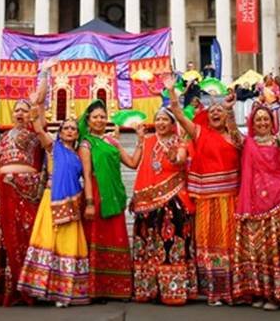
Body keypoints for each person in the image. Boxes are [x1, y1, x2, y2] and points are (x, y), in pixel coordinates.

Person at [166, 76, 240, 306]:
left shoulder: (234, 136)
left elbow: (239, 141)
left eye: (220, 111)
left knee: (229, 243)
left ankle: (232, 289)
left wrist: (230, 109)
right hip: (205, 199)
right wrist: (171, 91)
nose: (216, 113)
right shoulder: (199, 133)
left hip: (229, 198)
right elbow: (179, 115)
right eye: (212, 111)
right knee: (207, 243)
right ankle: (212, 290)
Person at [0, 62, 53, 306]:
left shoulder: (36, 131)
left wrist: (44, 74)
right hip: (4, 191)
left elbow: (40, 102)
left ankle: (29, 289)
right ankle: (6, 290)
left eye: (24, 110)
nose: (20, 113)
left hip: (27, 191)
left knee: (24, 237)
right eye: (17, 110)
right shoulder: (4, 137)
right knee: (3, 240)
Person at [231, 93, 280, 310]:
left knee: (275, 249)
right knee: (257, 250)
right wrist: (228, 111)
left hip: (278, 201)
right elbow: (233, 133)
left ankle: (276, 294)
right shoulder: (247, 143)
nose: (262, 122)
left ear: (272, 123)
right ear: (252, 124)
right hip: (253, 202)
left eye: (266, 119)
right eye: (258, 120)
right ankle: (260, 291)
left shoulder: (279, 141)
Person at [18, 117, 90, 307]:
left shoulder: (79, 154)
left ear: (78, 134)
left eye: (73, 129)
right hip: (52, 200)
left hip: (72, 201)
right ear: (60, 132)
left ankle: (64, 291)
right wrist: (36, 112)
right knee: (49, 240)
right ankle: (44, 289)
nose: (70, 131)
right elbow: (39, 131)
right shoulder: (53, 148)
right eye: (66, 128)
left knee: (68, 243)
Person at [130, 108, 196, 305]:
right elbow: (133, 163)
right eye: (157, 119)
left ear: (172, 123)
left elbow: (180, 159)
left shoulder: (180, 141)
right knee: (149, 246)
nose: (160, 123)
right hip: (148, 204)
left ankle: (173, 290)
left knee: (171, 245)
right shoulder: (148, 141)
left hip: (173, 200)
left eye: (165, 119)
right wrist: (135, 141)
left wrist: (173, 156)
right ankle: (148, 289)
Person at [79, 98, 143, 300]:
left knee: (117, 237)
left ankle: (119, 289)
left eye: (102, 117)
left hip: (114, 196)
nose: (99, 120)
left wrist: (140, 141)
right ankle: (96, 289)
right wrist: (89, 203)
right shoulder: (86, 144)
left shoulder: (112, 141)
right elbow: (87, 175)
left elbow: (132, 163)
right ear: (88, 120)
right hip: (97, 195)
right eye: (95, 117)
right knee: (97, 238)